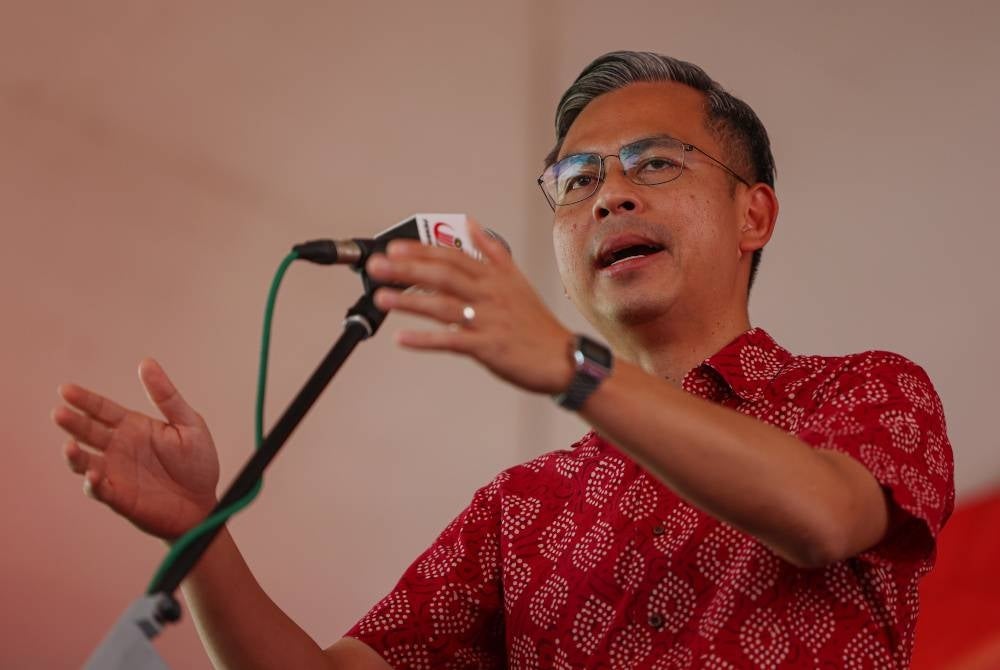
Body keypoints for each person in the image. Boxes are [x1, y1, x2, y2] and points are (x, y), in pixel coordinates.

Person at [52, 51, 953, 669]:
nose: (610, 197)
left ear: (754, 214)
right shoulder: (520, 510)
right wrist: (199, 534)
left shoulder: (866, 390)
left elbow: (821, 518)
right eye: (579, 179)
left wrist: (571, 366)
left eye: (654, 164)